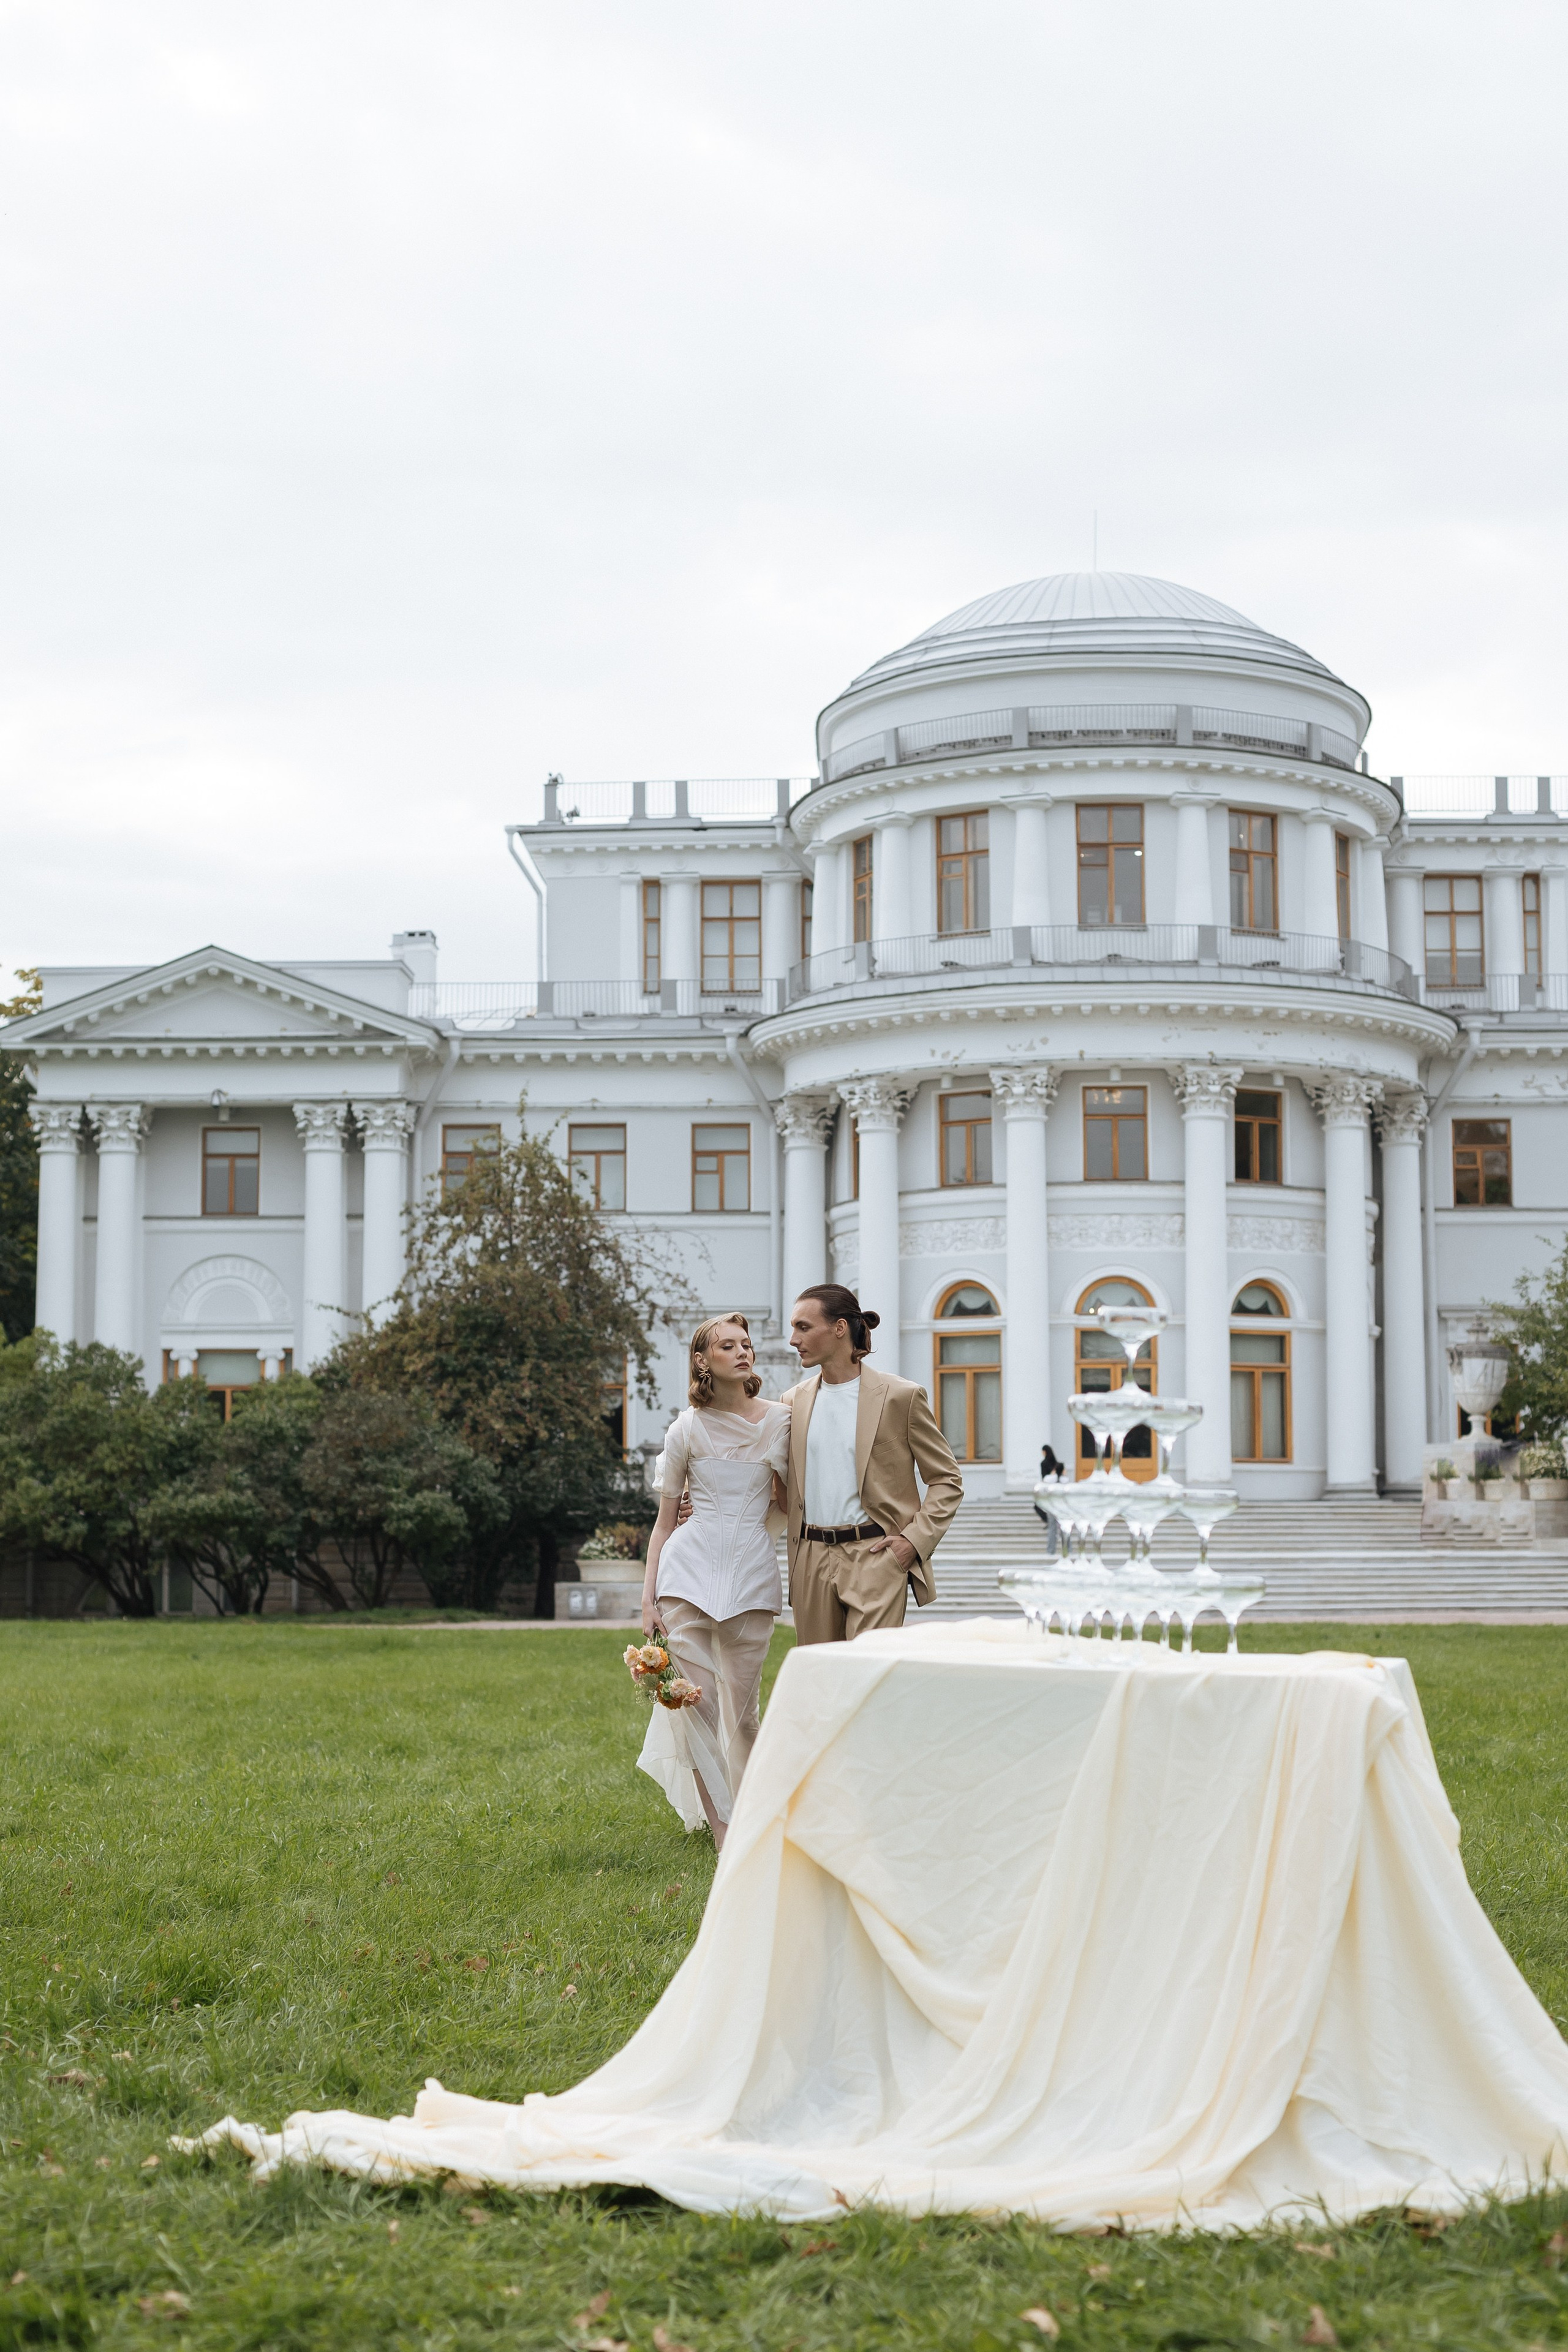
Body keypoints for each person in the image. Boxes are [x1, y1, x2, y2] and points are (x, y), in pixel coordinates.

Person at [636, 1312, 789, 1847]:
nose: (742, 1352)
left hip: (752, 1576)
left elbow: (792, 1504)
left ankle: (752, 1817)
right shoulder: (686, 1429)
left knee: (744, 1716)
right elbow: (663, 1524)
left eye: (746, 1344)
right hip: (686, 1574)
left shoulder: (781, 1423)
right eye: (727, 1346)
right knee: (697, 1705)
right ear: (703, 1361)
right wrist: (648, 1597)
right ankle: (725, 1833)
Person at [782, 1283, 963, 1644]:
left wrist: (913, 1542)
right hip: (810, 1559)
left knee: (867, 1675)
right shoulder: (792, 1402)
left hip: (875, 1556)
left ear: (839, 1329)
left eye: (803, 1327)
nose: (793, 1339)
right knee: (821, 1679)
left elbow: (946, 1479)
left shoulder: (901, 1397)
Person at [1035, 1442, 1066, 1555]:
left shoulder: (1045, 1465)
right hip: (1059, 1500)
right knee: (1063, 1526)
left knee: (1054, 1527)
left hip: (1051, 1499)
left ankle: (1051, 1550)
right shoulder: (1057, 1465)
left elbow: (1045, 1479)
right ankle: (1067, 1550)